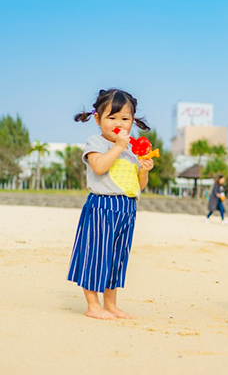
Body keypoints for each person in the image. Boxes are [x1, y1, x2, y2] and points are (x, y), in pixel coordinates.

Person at [67, 89, 154, 320]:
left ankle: (111, 304)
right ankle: (93, 304)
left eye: (125, 119)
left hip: (127, 209)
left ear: (132, 121)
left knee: (116, 258)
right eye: (112, 117)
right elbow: (99, 167)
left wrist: (144, 172)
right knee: (96, 255)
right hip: (101, 207)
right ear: (97, 119)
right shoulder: (97, 142)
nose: (119, 123)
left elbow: (137, 185)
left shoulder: (131, 150)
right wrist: (117, 146)